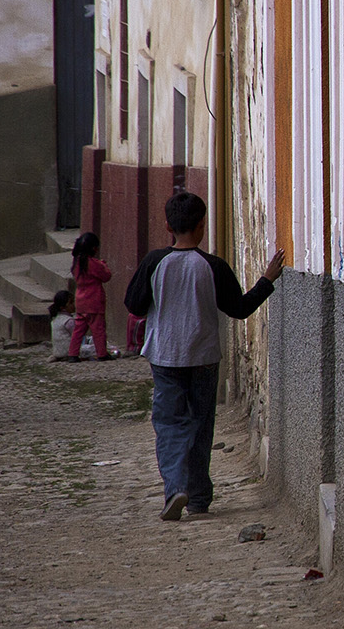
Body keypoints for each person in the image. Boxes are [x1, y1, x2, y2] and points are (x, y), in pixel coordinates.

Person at [125, 192, 284, 520]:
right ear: (202, 226)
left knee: (170, 424)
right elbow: (240, 309)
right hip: (204, 358)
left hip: (165, 358)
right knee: (200, 425)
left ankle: (175, 488)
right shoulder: (213, 266)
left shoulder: (154, 262)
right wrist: (266, 280)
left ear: (168, 225)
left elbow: (134, 306)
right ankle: (198, 497)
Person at [69, 231, 112, 360]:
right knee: (98, 329)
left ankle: (72, 353)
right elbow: (106, 276)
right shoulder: (93, 263)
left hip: (81, 300)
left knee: (78, 330)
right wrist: (103, 265)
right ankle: (102, 353)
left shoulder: (77, 263)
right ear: (93, 248)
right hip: (94, 300)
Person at [48, 289, 95, 361]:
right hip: (70, 351)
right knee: (94, 345)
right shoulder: (68, 321)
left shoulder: (55, 319)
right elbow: (77, 337)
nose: (74, 305)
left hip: (58, 352)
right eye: (71, 303)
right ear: (62, 307)